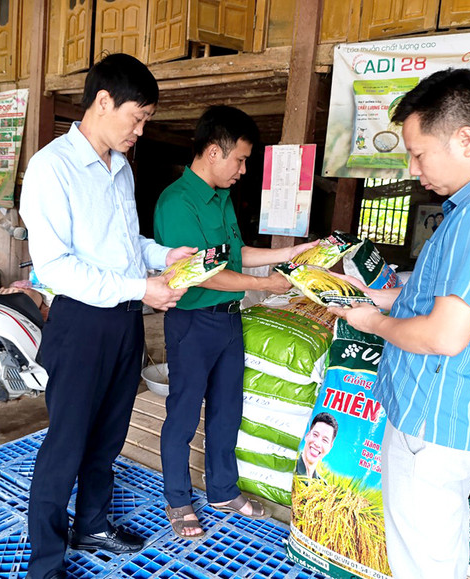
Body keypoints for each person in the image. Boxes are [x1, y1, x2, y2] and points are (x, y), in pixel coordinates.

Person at [328, 68, 470, 579]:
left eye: (419, 152)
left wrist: (374, 323)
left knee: (424, 565)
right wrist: (376, 292)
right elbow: (442, 303)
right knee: (432, 556)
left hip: (435, 420)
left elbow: (445, 335)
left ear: (465, 139)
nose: (413, 167)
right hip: (443, 414)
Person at [20, 53, 194, 579]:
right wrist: (143, 286)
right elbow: (57, 267)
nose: (140, 130)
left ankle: (92, 523)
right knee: (66, 444)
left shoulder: (120, 170)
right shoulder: (52, 168)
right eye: (136, 117)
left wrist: (163, 257)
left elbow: (123, 244)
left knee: (109, 434)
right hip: (79, 324)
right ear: (102, 102)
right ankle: (45, 562)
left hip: (124, 321)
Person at [153, 105, 318, 540]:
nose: (244, 169)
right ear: (212, 151)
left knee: (229, 409)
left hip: (228, 320)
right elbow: (203, 272)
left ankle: (223, 490)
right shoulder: (177, 202)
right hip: (191, 323)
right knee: (184, 413)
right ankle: (178, 499)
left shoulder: (221, 197)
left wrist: (288, 254)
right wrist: (264, 287)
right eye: (240, 159)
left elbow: (235, 255)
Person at [295, 412, 338, 480]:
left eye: (325, 440)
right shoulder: (291, 468)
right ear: (307, 435)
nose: (317, 444)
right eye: (315, 435)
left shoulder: (322, 486)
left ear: (330, 447)